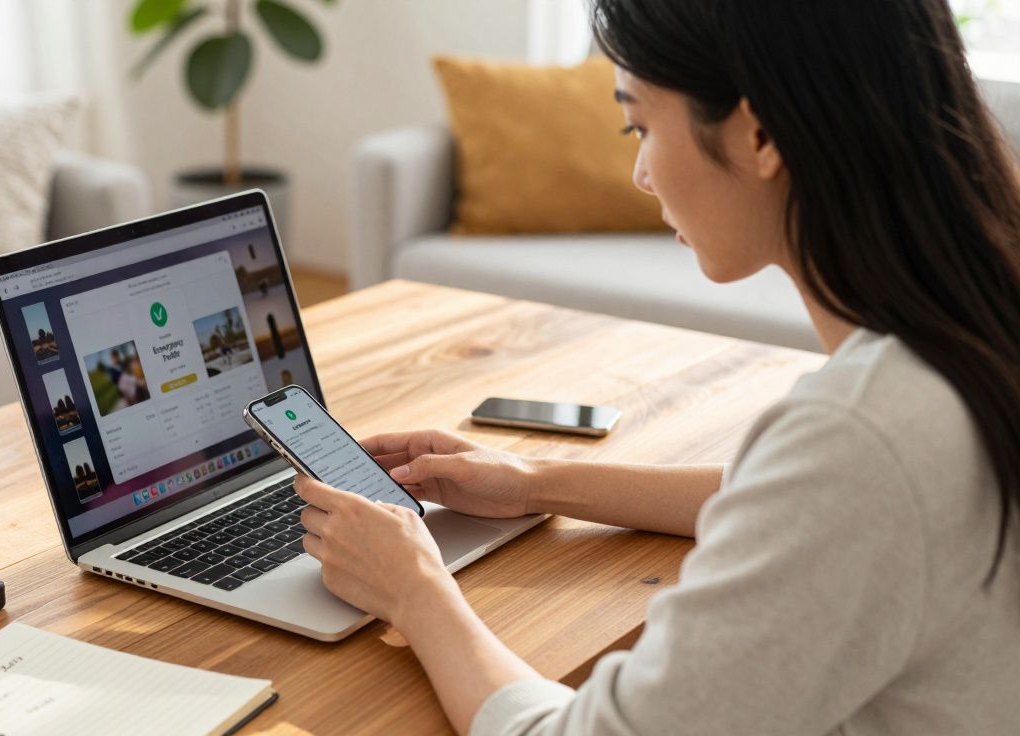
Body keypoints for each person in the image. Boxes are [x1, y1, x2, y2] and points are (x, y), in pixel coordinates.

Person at [293, 1, 1020, 734]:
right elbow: (800, 503)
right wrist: (535, 483)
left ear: (758, 132)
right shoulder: (969, 341)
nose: (641, 174)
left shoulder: (860, 437)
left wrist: (415, 589)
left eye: (638, 124)